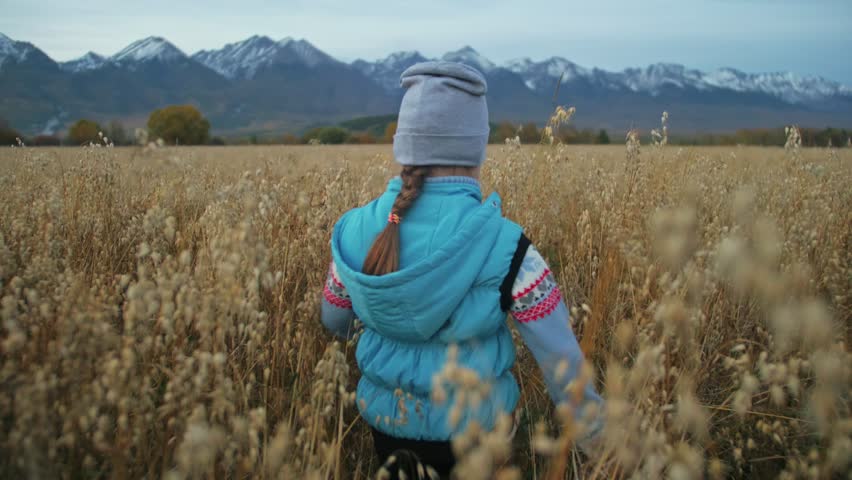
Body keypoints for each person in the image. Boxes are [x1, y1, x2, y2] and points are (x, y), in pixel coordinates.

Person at [320, 61, 603, 479]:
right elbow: (562, 365)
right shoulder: (508, 247)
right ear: (476, 147)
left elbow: (334, 320)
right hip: (480, 436)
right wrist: (599, 443)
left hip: (387, 430)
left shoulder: (355, 230)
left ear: (406, 145)